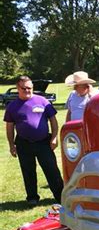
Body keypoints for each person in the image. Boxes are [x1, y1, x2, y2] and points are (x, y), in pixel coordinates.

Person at [4, 75, 63, 205]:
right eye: (24, 88)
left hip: (43, 142)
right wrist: (11, 145)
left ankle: (60, 196)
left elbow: (53, 120)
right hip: (23, 143)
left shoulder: (43, 101)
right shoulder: (12, 106)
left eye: (30, 88)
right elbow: (9, 127)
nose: (27, 90)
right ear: (17, 88)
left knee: (51, 170)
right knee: (28, 171)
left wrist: (54, 137)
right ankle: (32, 198)